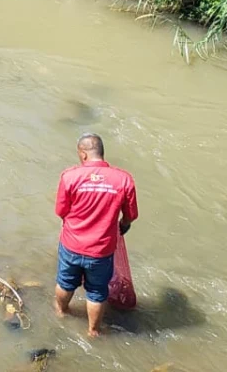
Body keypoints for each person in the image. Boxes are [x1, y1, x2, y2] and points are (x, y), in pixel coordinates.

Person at [54, 133, 139, 337]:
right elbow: (131, 215)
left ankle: (61, 312)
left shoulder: (70, 176)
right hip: (101, 250)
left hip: (72, 244)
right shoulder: (123, 179)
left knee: (65, 282)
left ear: (83, 154)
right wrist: (122, 225)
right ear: (101, 153)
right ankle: (93, 331)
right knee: (97, 292)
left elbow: (60, 211)